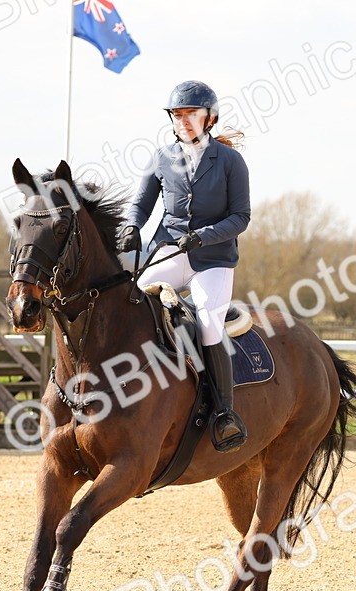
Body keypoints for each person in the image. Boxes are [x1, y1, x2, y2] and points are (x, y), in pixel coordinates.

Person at [118, 79, 251, 452]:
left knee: (209, 322)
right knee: (132, 299)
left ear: (209, 119)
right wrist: (131, 226)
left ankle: (224, 410)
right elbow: (141, 204)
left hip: (213, 258)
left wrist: (205, 235)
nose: (184, 121)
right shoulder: (162, 157)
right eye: (178, 115)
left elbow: (241, 217)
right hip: (171, 252)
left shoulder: (229, 161)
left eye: (191, 115)